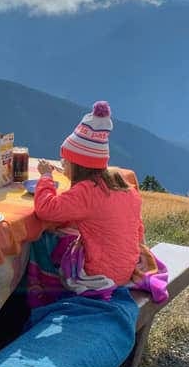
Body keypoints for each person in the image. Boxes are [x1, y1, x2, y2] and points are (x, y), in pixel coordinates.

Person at [34, 101, 144, 289]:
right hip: (127, 266)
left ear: (77, 165)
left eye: (66, 160)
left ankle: (41, 288)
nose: (63, 164)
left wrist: (46, 177)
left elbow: (46, 209)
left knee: (46, 240)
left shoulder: (86, 192)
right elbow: (138, 228)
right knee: (71, 230)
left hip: (101, 273)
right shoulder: (121, 184)